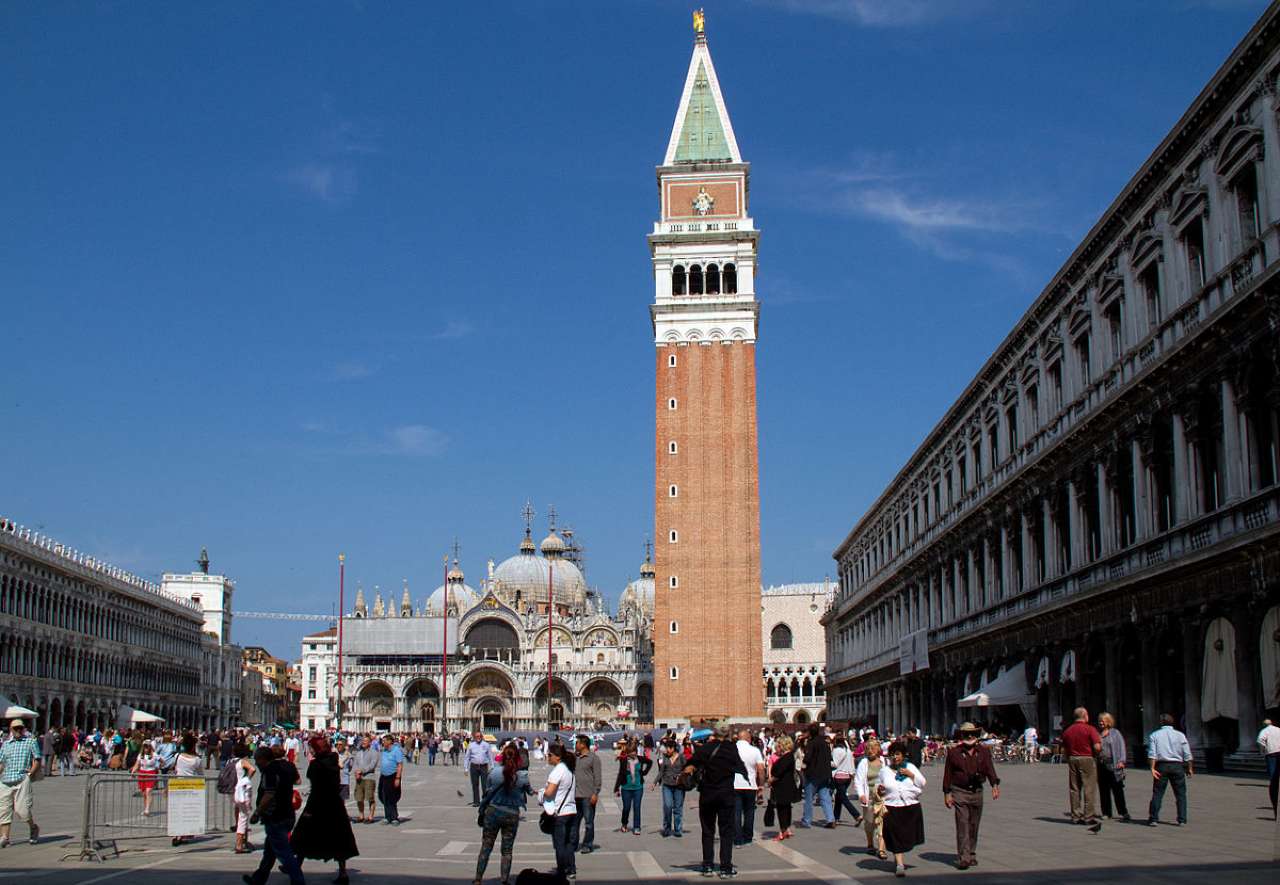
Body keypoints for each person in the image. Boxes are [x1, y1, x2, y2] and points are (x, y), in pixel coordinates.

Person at [683, 723, 749, 879]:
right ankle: (725, 867)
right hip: (726, 795)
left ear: (714, 733)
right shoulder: (731, 748)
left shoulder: (706, 748)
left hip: (707, 795)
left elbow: (690, 763)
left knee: (708, 831)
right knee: (726, 832)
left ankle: (707, 866)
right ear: (727, 734)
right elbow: (740, 767)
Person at [291, 735, 358, 885]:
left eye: (312, 748)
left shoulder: (316, 765)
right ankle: (343, 872)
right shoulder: (334, 760)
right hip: (335, 804)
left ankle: (295, 869)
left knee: (304, 835)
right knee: (338, 837)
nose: (310, 751)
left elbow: (316, 788)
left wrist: (309, 809)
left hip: (318, 804)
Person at [941, 722, 1000, 870]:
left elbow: (989, 769)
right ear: (961, 735)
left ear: (977, 735)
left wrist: (994, 785)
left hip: (977, 791)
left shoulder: (984, 752)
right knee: (962, 824)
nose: (969, 736)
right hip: (959, 791)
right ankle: (964, 857)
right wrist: (947, 793)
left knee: (974, 824)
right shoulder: (954, 752)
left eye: (972, 733)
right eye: (966, 734)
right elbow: (948, 773)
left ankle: (972, 853)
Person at [244, 746, 305, 885]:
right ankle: (258, 879)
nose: (256, 763)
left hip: (276, 816)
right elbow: (297, 781)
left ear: (263, 759)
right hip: (288, 813)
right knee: (270, 852)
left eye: (257, 760)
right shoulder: (288, 766)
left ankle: (298, 880)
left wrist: (257, 813)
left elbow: (269, 794)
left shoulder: (270, 770)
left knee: (284, 853)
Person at [474, 743, 532, 885]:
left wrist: (482, 810)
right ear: (518, 758)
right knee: (507, 850)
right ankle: (504, 881)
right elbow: (529, 791)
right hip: (511, 815)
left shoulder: (494, 772)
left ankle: (478, 879)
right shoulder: (522, 776)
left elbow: (487, 792)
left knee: (486, 846)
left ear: (502, 757)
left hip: (493, 812)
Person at [877, 742, 926, 877]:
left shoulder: (910, 767)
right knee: (895, 836)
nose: (895, 757)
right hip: (891, 807)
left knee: (906, 837)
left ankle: (898, 856)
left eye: (897, 754)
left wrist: (910, 774)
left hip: (910, 807)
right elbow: (878, 787)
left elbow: (922, 783)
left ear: (903, 756)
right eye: (892, 755)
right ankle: (900, 863)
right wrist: (880, 790)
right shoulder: (884, 771)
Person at [1060, 707, 1103, 832]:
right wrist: (1097, 752)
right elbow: (1097, 747)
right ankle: (1088, 816)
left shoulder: (1068, 731)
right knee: (1089, 787)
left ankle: (1075, 816)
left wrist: (1068, 758)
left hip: (1072, 758)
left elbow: (1063, 749)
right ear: (1085, 716)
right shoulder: (1090, 729)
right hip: (1087, 758)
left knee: (1074, 788)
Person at [1147, 713, 1193, 827]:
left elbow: (1152, 754)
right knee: (1180, 794)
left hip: (1161, 765)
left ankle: (1153, 818)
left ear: (1161, 723)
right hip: (1177, 766)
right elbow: (1187, 754)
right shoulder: (1180, 735)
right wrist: (1190, 768)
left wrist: (1152, 768)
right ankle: (1182, 819)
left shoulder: (1155, 735)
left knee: (1158, 793)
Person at [0, 719, 41, 847]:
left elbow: (37, 759)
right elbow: (1, 763)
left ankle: (33, 827)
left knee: (22, 810)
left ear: (23, 729)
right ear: (11, 730)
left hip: (22, 779)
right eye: (15, 728)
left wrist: (30, 773)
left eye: (20, 728)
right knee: (4, 810)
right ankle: (5, 837)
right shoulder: (6, 744)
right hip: (6, 780)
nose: (18, 730)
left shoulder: (30, 741)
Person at [542, 743, 578, 880]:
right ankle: (571, 868)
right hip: (571, 811)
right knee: (569, 842)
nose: (547, 757)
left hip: (560, 813)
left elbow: (549, 792)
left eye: (549, 755)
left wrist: (541, 794)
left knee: (559, 844)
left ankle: (561, 871)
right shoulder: (569, 770)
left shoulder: (558, 770)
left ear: (557, 757)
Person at [730, 728, 765, 846]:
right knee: (749, 812)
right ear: (748, 739)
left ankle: (737, 839)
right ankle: (748, 838)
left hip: (735, 785)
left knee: (736, 812)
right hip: (751, 785)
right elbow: (760, 769)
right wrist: (761, 785)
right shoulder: (754, 750)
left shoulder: (731, 750)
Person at [854, 738, 887, 858]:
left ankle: (881, 849)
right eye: (868, 749)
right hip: (869, 797)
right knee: (869, 823)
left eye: (873, 749)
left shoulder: (884, 762)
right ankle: (870, 843)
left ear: (878, 749)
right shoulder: (864, 762)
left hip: (881, 797)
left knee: (882, 823)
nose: (870, 751)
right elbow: (858, 780)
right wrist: (861, 794)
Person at [799, 723, 835, 828]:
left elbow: (808, 758)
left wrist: (803, 766)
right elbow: (829, 757)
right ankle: (830, 819)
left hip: (813, 773)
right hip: (825, 773)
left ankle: (807, 820)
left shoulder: (812, 743)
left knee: (809, 798)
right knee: (825, 796)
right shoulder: (824, 742)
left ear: (810, 732)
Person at [571, 734, 602, 854]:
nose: (576, 745)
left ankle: (587, 844)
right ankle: (573, 844)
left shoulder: (594, 758)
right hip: (575, 796)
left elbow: (598, 778)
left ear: (583, 744)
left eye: (577, 743)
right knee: (574, 823)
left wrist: (595, 793)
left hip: (588, 796)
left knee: (588, 822)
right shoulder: (575, 758)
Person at [614, 739, 651, 835]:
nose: (632, 754)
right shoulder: (624, 760)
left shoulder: (640, 758)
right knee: (626, 807)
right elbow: (620, 774)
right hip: (626, 787)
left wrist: (644, 772)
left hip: (638, 787)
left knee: (637, 807)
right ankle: (624, 823)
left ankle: (637, 827)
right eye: (630, 752)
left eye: (633, 752)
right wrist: (617, 788)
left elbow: (650, 762)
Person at [1097, 713, 1129, 821]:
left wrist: (1122, 761)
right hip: (1102, 765)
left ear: (1108, 721)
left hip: (1114, 764)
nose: (1101, 722)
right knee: (1103, 790)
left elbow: (1122, 747)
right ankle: (1106, 812)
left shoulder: (1115, 733)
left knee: (1117, 789)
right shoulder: (1099, 734)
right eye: (1100, 720)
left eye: (1103, 720)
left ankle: (1123, 812)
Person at [767, 734, 799, 842]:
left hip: (783, 787)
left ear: (782, 745)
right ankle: (786, 829)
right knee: (786, 808)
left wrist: (771, 780)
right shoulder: (788, 756)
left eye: (778, 745)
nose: (777, 748)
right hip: (787, 786)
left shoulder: (786, 757)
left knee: (782, 810)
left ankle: (782, 831)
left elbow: (779, 772)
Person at [652, 739, 685, 838]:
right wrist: (655, 782)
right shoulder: (665, 757)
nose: (666, 750)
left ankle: (678, 829)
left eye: (668, 748)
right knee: (667, 806)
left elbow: (687, 769)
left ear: (673, 748)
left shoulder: (681, 757)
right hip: (667, 785)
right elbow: (661, 771)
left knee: (678, 808)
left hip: (679, 786)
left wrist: (681, 775)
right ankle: (667, 828)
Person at [231, 743, 257, 853]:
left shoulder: (231, 761)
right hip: (243, 791)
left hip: (234, 790)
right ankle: (239, 844)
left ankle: (243, 841)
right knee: (243, 817)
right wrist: (247, 779)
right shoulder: (242, 761)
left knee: (239, 815)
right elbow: (253, 769)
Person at [830, 735, 862, 826]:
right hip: (847, 776)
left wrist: (826, 762)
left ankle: (857, 815)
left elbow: (835, 764)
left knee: (843, 798)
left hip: (839, 776)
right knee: (839, 797)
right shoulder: (848, 751)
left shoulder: (836, 750)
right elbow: (851, 764)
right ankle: (836, 817)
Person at [377, 733, 405, 824]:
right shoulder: (384, 750)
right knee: (383, 796)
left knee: (392, 796)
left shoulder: (396, 750)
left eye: (384, 741)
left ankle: (394, 817)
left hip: (392, 776)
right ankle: (387, 816)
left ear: (389, 741)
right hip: (384, 776)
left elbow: (400, 765)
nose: (383, 742)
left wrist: (398, 778)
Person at [351, 736, 380, 823]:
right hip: (359, 778)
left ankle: (371, 816)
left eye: (365, 741)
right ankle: (361, 815)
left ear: (370, 743)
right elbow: (355, 764)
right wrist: (356, 772)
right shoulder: (358, 753)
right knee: (359, 797)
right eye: (362, 741)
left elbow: (372, 765)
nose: (363, 742)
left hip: (369, 777)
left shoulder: (374, 752)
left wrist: (362, 771)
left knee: (370, 797)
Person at [1256, 719, 1280, 819]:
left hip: (1271, 754)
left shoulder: (1264, 731)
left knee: (1273, 775)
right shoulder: (1278, 729)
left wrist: (1262, 751)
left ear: (1264, 724)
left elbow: (1261, 740)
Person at [466, 731, 495, 806]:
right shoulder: (471, 745)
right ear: (474, 737)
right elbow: (467, 757)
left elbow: (490, 756)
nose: (478, 738)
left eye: (479, 736)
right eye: (477, 736)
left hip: (483, 766)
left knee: (485, 785)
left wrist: (492, 767)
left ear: (482, 737)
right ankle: (476, 801)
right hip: (474, 766)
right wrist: (466, 768)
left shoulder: (486, 745)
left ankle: (485, 801)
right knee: (475, 784)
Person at [131, 742, 160, 817]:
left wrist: (158, 766)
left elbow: (162, 762)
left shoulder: (154, 755)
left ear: (150, 747)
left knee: (148, 791)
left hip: (151, 773)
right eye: (144, 747)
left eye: (147, 747)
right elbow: (137, 764)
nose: (146, 749)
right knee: (144, 793)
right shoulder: (140, 755)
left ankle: (147, 809)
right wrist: (133, 771)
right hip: (142, 773)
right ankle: (145, 808)